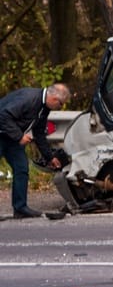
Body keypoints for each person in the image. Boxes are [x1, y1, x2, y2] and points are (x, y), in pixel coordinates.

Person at [0, 82, 71, 218]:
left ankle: (20, 208)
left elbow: (39, 133)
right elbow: (3, 115)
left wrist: (49, 157)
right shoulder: (29, 98)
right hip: (4, 133)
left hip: (11, 137)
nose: (61, 108)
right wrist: (19, 136)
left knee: (21, 169)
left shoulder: (44, 108)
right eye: (61, 104)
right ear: (54, 99)